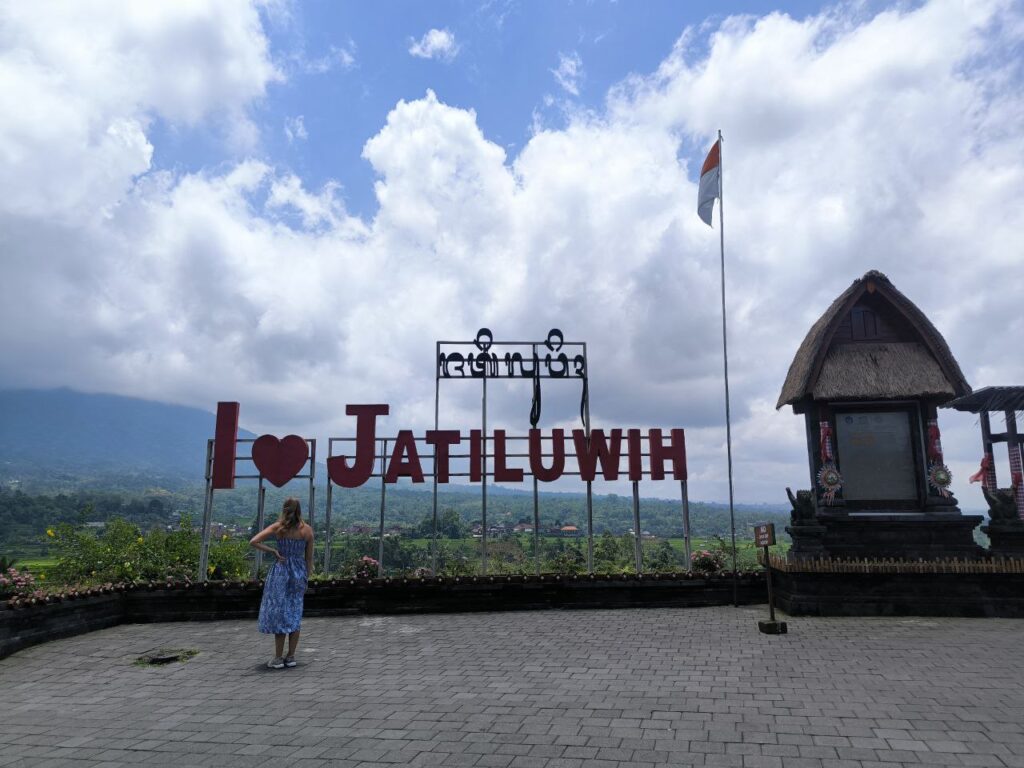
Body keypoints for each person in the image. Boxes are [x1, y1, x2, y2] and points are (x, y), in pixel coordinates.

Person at [249, 497, 313, 669]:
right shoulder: (307, 531)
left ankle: (278, 658)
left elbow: (253, 541)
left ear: (284, 509)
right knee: (294, 612)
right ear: (300, 510)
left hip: (281, 571)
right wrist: (306, 577)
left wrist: (273, 551)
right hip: (298, 572)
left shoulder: (278, 527)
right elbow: (309, 559)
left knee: (280, 612)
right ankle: (291, 657)